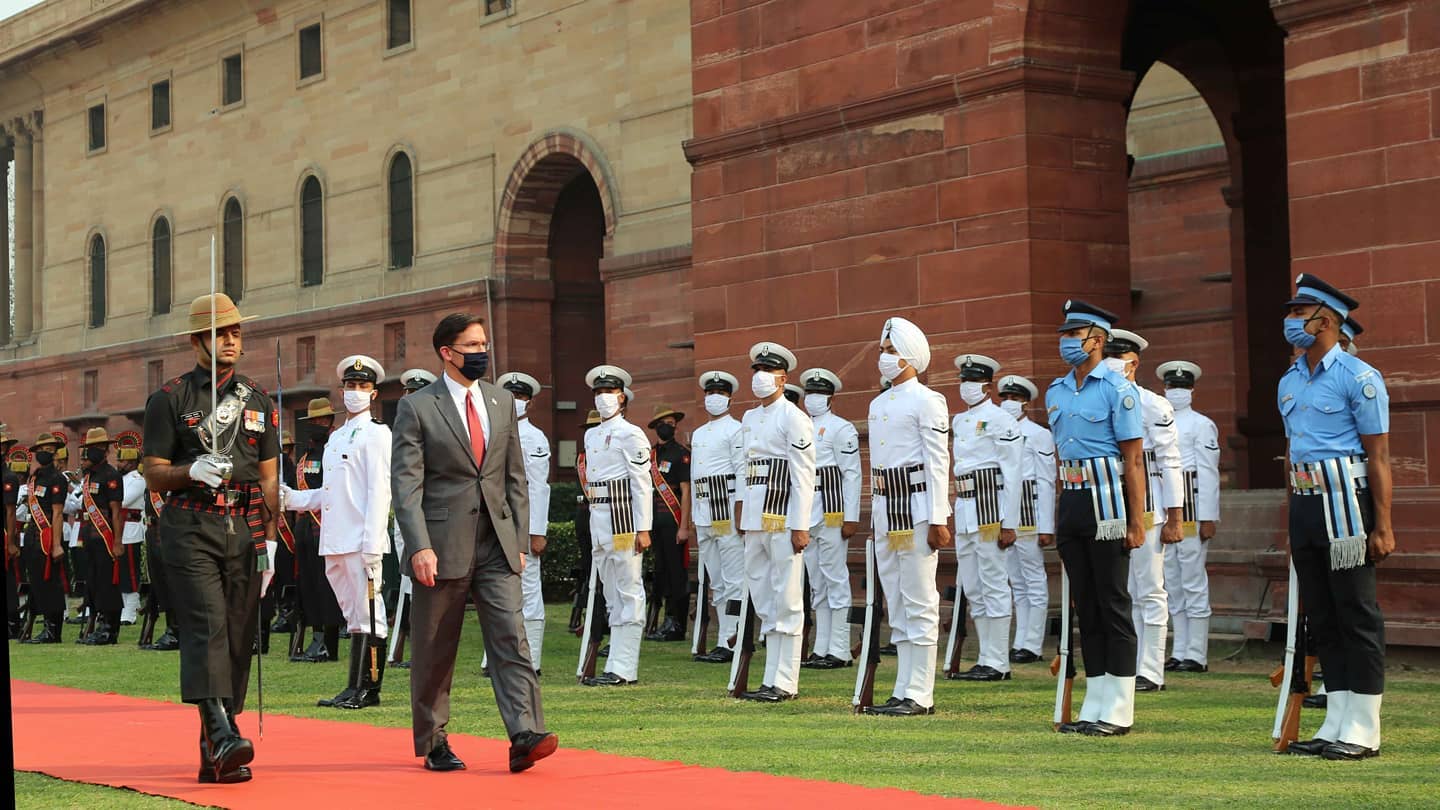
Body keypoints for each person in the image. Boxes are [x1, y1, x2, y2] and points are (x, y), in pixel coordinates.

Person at [392, 313, 555, 773]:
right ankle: (434, 740)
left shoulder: (502, 401)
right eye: (472, 344)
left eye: (484, 342)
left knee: (511, 637)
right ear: (447, 352)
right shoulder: (418, 406)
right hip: (441, 545)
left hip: (497, 543)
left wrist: (519, 537)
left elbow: (514, 476)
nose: (482, 351)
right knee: (435, 646)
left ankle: (524, 733)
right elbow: (407, 486)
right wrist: (419, 545)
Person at [142, 292, 280, 784]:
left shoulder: (258, 400)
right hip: (190, 524)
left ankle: (214, 752)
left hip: (244, 527)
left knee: (241, 633)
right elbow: (154, 473)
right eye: (220, 332)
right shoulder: (170, 398)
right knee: (207, 624)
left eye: (236, 332)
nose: (230, 341)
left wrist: (271, 539)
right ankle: (223, 733)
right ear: (197, 339)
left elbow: (268, 478)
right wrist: (189, 470)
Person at [1277, 275, 1392, 761]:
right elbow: (1292, 450)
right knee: (1322, 616)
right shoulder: (1289, 379)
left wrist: (1382, 524)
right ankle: (1336, 719)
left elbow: (1379, 456)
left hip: (1347, 502)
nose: (1291, 321)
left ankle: (1364, 727)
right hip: (1306, 504)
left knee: (1355, 613)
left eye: (1300, 313)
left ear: (1326, 319)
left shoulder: (1360, 377)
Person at [1045, 300, 1147, 737]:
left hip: (1109, 503)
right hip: (1073, 500)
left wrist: (1137, 521)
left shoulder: (1118, 388)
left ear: (1098, 339)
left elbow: (1134, 459)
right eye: (1065, 333)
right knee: (1086, 606)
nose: (1068, 341)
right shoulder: (1056, 390)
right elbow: (1057, 455)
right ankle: (1096, 698)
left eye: (1077, 333)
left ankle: (1119, 707)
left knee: (1112, 604)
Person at [283, 356, 393, 710]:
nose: (355, 393)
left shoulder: (378, 435)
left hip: (361, 542)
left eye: (362, 387)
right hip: (335, 540)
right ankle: (352, 687)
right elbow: (330, 493)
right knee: (353, 618)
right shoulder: (336, 438)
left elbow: (379, 491)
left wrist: (373, 543)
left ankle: (369, 689)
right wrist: (292, 498)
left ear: (373, 393)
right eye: (350, 386)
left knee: (369, 615)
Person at [863, 318, 951, 716]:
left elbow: (937, 462)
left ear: (911, 356)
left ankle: (920, 692)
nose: (884, 358)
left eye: (890, 351)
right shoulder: (878, 403)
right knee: (896, 600)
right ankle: (902, 687)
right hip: (886, 507)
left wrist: (937, 517)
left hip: (915, 508)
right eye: (883, 350)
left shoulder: (928, 400)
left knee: (919, 599)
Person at [1103, 330, 1183, 694]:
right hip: (1110, 504)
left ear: (1133, 363)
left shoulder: (1153, 404)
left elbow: (1170, 461)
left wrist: (1175, 516)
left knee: (1149, 589)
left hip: (1148, 505)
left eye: (1116, 357)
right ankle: (1124, 663)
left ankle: (1150, 669)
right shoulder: (1100, 398)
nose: (1109, 363)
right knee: (1120, 589)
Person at [734, 343, 816, 702]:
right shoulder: (750, 418)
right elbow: (744, 466)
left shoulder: (794, 418)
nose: (760, 377)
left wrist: (800, 525)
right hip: (755, 516)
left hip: (782, 516)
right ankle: (770, 677)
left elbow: (803, 475)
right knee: (762, 593)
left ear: (783, 377)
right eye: (756, 370)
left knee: (786, 596)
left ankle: (784, 681)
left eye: (768, 371)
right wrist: (740, 506)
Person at [946, 354, 1023, 683]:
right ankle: (984, 657)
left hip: (992, 505)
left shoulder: (1002, 419)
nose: (966, 387)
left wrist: (1011, 522)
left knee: (993, 583)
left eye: (973, 381)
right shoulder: (960, 421)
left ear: (988, 386)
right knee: (974, 586)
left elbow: (1014, 471)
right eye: (963, 381)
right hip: (965, 506)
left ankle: (998, 661)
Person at [578, 364, 653, 686]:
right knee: (610, 593)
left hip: (623, 517)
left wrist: (644, 527)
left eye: (608, 392)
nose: (603, 398)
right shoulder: (591, 433)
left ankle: (624, 667)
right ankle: (612, 663)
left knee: (628, 590)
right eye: (598, 392)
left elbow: (641, 482)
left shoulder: (632, 433)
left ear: (622, 397)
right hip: (599, 515)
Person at [1155, 360, 1220, 675]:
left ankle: (1197, 652)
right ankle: (1179, 649)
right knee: (1172, 580)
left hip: (1192, 503)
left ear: (1191, 390)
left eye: (1181, 387)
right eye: (1171, 387)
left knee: (1193, 579)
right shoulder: (1157, 421)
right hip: (1166, 502)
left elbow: (1208, 473)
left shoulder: (1201, 424)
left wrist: (1209, 516)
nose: (1176, 392)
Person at [797, 367, 860, 670]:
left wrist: (852, 516)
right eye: (809, 393)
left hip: (832, 509)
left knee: (835, 578)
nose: (813, 399)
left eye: (819, 393)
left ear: (831, 397)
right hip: (807, 509)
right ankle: (822, 647)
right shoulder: (799, 425)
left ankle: (840, 647)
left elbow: (851, 474)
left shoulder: (840, 428)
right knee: (817, 583)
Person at [492, 371, 552, 675]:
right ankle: (500, 656)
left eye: (521, 396)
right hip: (496, 523)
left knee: (528, 590)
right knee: (497, 590)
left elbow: (539, 487)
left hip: (522, 525)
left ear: (529, 401)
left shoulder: (534, 437)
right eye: (511, 396)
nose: (515, 401)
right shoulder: (495, 431)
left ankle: (532, 657)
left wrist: (537, 531)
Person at [996, 375, 1055, 664]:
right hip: (1003, 511)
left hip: (1029, 511)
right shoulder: (994, 430)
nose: (1009, 403)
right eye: (1005, 398)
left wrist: (1047, 526)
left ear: (1025, 403)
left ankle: (1032, 644)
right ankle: (1020, 640)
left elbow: (1046, 481)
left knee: (1033, 578)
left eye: (1015, 399)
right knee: (1015, 580)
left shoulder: (1038, 434)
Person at [688, 371, 745, 663]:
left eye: (721, 394)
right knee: (716, 580)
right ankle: (723, 637)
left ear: (730, 398)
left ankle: (733, 639)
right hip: (703, 509)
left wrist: (740, 510)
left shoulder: (736, 430)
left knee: (734, 577)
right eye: (711, 393)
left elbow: (742, 471)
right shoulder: (698, 434)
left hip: (726, 503)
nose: (715, 398)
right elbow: (694, 474)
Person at [289, 397, 345, 663]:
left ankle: (329, 643)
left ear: (331, 421)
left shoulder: (336, 450)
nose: (317, 424)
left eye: (322, 420)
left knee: (326, 586)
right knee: (308, 585)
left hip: (327, 526)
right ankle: (316, 637)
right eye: (313, 420)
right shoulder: (305, 457)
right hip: (305, 528)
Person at [388, 368, 437, 670]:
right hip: (402, 515)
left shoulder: (435, 431)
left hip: (425, 516)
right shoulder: (398, 431)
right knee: (407, 583)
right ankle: (403, 647)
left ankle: (422, 648)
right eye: (408, 392)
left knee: (424, 586)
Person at [646, 404, 691, 642]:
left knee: (676, 574)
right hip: (653, 523)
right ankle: (658, 621)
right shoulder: (650, 455)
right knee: (659, 573)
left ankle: (676, 624)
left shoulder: (681, 454)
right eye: (665, 424)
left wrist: (684, 526)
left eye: (672, 424)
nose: (668, 427)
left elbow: (685, 492)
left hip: (673, 523)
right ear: (656, 427)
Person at [19, 433, 68, 644]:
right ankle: (45, 625)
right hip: (32, 534)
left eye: (49, 450)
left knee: (51, 583)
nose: (45, 454)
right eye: (42, 450)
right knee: (37, 582)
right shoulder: (34, 477)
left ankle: (53, 629)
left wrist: (56, 544)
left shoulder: (57, 478)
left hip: (48, 534)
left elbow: (58, 513)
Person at [113, 431, 146, 630]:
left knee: (129, 571)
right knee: (118, 571)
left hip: (131, 529)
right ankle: (122, 607)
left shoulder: (137, 480)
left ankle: (131, 610)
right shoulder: (120, 479)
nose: (119, 464)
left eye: (122, 461)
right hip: (118, 529)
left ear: (132, 462)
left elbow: (122, 501)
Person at [3, 430, 24, 639]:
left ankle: (12, 622)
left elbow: (10, 512)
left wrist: (10, 542)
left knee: (8, 581)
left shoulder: (8, 477)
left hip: (4, 534)